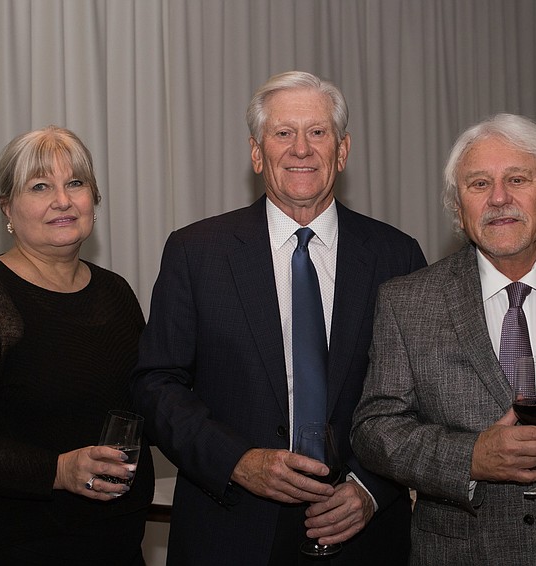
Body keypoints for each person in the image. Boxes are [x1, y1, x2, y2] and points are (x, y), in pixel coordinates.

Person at [131, 71, 426, 565]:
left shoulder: (396, 256)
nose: (301, 149)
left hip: (363, 534)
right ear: (256, 152)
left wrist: (371, 487)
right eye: (283, 133)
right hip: (229, 528)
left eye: (317, 132)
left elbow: (423, 395)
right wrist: (238, 462)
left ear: (343, 150)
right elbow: (156, 384)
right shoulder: (196, 252)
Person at [351, 113, 536, 565]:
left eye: (518, 179)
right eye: (479, 184)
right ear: (458, 209)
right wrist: (469, 457)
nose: (499, 198)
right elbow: (374, 427)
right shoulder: (407, 300)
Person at [0, 126, 154, 565]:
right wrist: (56, 471)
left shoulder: (116, 292)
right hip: (16, 546)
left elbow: (148, 401)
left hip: (115, 543)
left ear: (93, 199)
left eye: (75, 183)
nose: (62, 200)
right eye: (40, 186)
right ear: (8, 207)